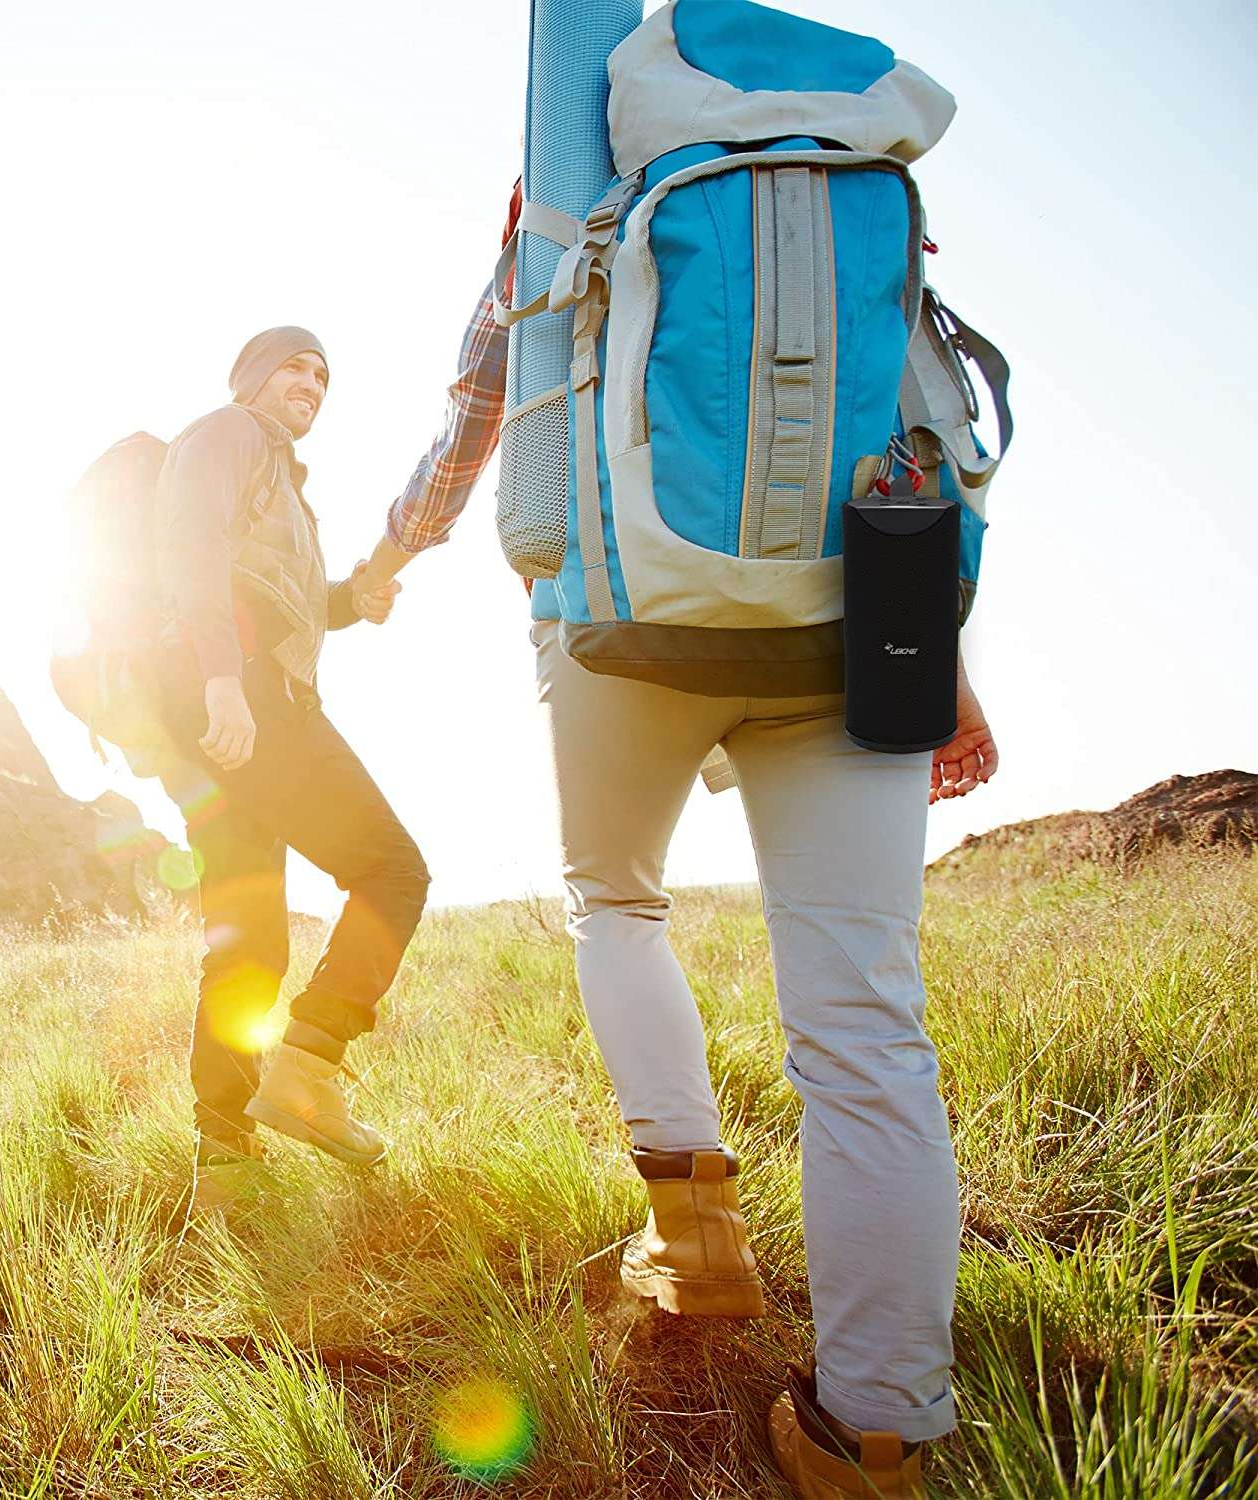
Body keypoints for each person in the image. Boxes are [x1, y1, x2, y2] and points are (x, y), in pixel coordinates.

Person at [354, 188, 999, 1497]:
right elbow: (920, 423)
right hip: (863, 598)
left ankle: (694, 1231)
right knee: (866, 1016)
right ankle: (872, 1441)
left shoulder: (561, 194)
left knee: (617, 901)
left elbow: (479, 413)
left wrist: (392, 552)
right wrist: (951, 664)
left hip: (619, 604)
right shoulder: (849, 174)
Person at [152, 325, 429, 1185]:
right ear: (252, 378)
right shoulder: (231, 434)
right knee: (393, 873)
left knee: (251, 944)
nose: (311, 382)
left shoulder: (279, 481)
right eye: (294, 367)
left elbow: (283, 595)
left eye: (322, 374)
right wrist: (223, 680)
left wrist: (351, 599)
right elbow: (190, 554)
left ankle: (225, 1154)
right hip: (244, 698)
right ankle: (308, 1068)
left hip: (214, 704)